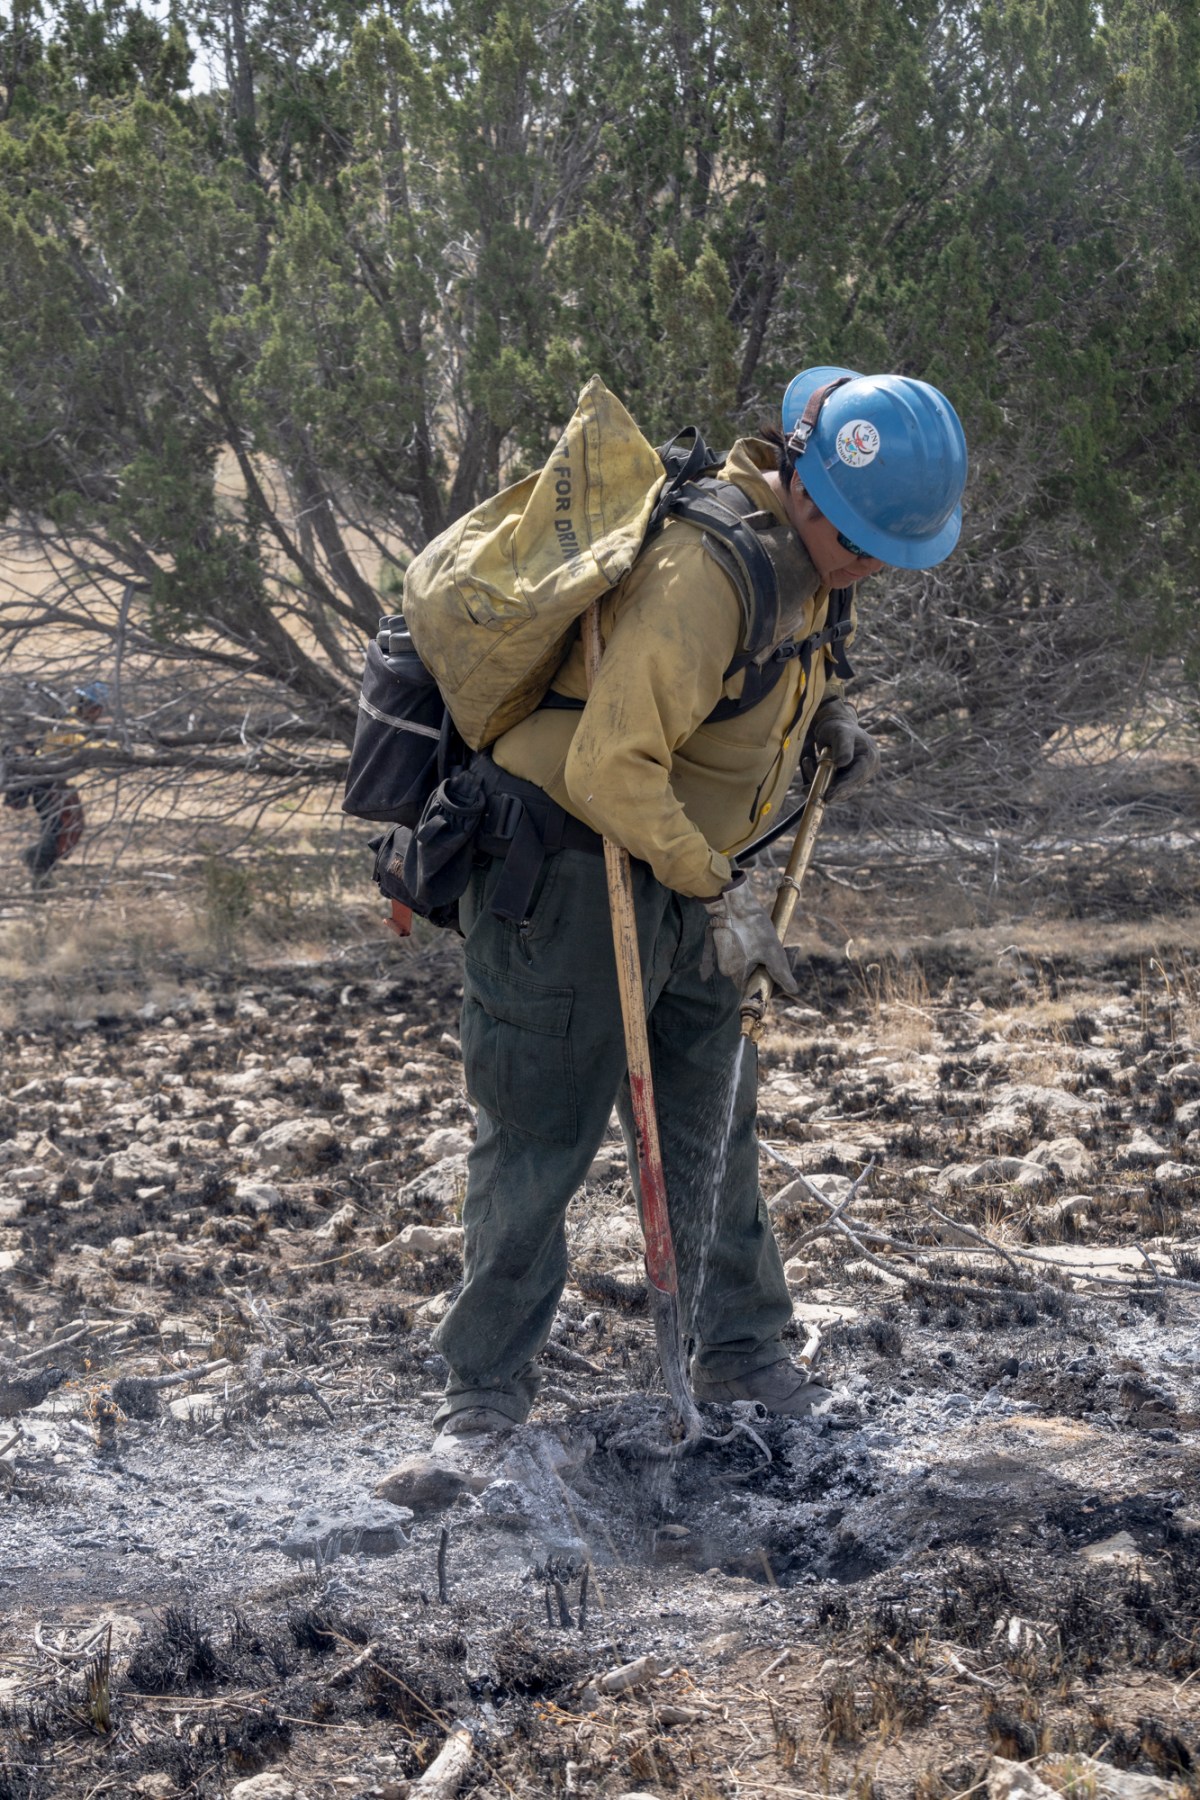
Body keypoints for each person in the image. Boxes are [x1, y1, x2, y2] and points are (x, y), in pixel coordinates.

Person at [430, 367, 967, 1445]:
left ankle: (740, 1353)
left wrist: (822, 726)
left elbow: (758, 687)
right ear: (807, 490)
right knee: (541, 1136)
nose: (873, 569)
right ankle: (482, 1402)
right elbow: (610, 766)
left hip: (679, 875)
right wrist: (722, 894)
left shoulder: (810, 563)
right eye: (864, 543)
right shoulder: (700, 577)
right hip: (571, 878)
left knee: (712, 1120)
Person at [3, 682, 108, 889]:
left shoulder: (71, 721)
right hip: (47, 785)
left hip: (54, 785)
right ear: (91, 708)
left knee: (67, 826)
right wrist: (116, 747)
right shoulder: (68, 725)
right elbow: (86, 747)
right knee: (59, 828)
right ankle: (39, 868)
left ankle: (41, 865)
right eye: (97, 709)